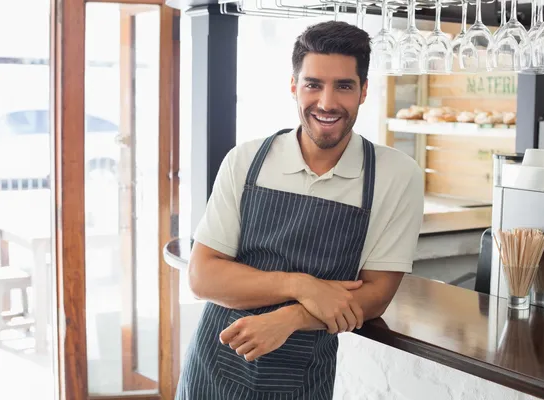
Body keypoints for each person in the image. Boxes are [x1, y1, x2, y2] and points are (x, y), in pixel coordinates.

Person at [175, 20, 424, 400]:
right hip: (215, 367)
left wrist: (290, 318)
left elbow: (376, 295)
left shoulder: (395, 175)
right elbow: (202, 276)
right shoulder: (246, 161)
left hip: (303, 377)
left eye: (344, 86)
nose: (327, 103)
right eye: (313, 84)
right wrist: (301, 285)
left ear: (363, 92)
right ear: (294, 86)